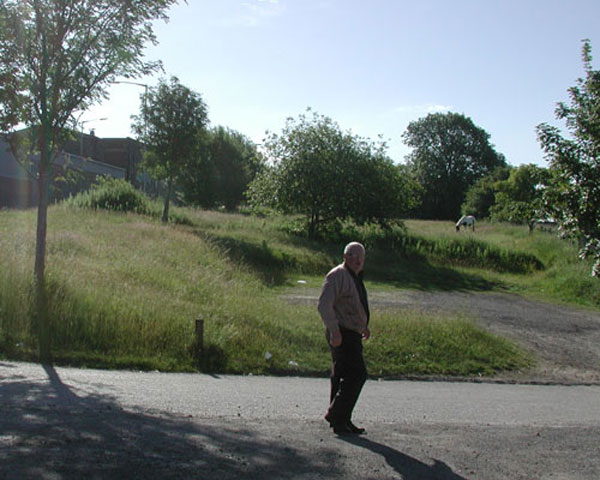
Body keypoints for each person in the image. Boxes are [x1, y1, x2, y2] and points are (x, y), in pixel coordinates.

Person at [318, 241, 370, 435]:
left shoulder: (354, 277)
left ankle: (342, 421)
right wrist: (334, 331)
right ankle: (335, 414)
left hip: (352, 332)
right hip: (342, 333)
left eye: (361, 257)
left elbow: (354, 305)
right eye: (353, 255)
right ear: (345, 257)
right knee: (357, 374)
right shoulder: (337, 275)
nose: (358, 260)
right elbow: (324, 305)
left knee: (341, 376)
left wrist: (363, 326)